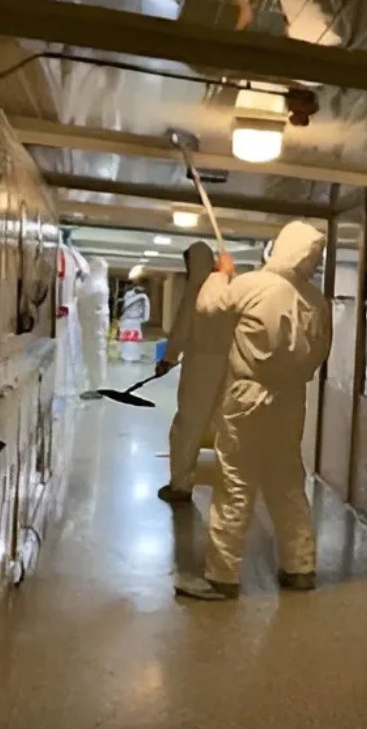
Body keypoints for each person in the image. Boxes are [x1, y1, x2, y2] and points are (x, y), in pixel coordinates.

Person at [175, 220, 331, 601]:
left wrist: (221, 274)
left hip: (247, 397)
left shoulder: (254, 284)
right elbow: (321, 352)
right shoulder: (317, 302)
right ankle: (300, 567)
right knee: (287, 482)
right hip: (291, 401)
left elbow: (207, 306)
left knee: (235, 482)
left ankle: (222, 576)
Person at [156, 241, 224, 502]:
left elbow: (182, 330)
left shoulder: (196, 292)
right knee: (227, 427)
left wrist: (168, 358)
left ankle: (180, 485)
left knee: (188, 425)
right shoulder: (228, 290)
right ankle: (235, 485)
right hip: (231, 366)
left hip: (201, 366)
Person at [75, 256, 110, 394]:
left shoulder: (95, 284)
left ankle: (96, 387)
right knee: (96, 356)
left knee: (94, 357)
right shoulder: (100, 284)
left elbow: (80, 294)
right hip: (96, 327)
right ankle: (95, 385)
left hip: (93, 328)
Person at [119, 267, 151, 363]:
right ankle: (126, 355)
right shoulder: (129, 294)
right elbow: (126, 304)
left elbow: (146, 307)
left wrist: (144, 318)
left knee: (135, 341)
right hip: (127, 320)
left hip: (136, 321)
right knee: (128, 341)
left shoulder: (144, 297)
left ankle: (135, 355)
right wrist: (139, 297)